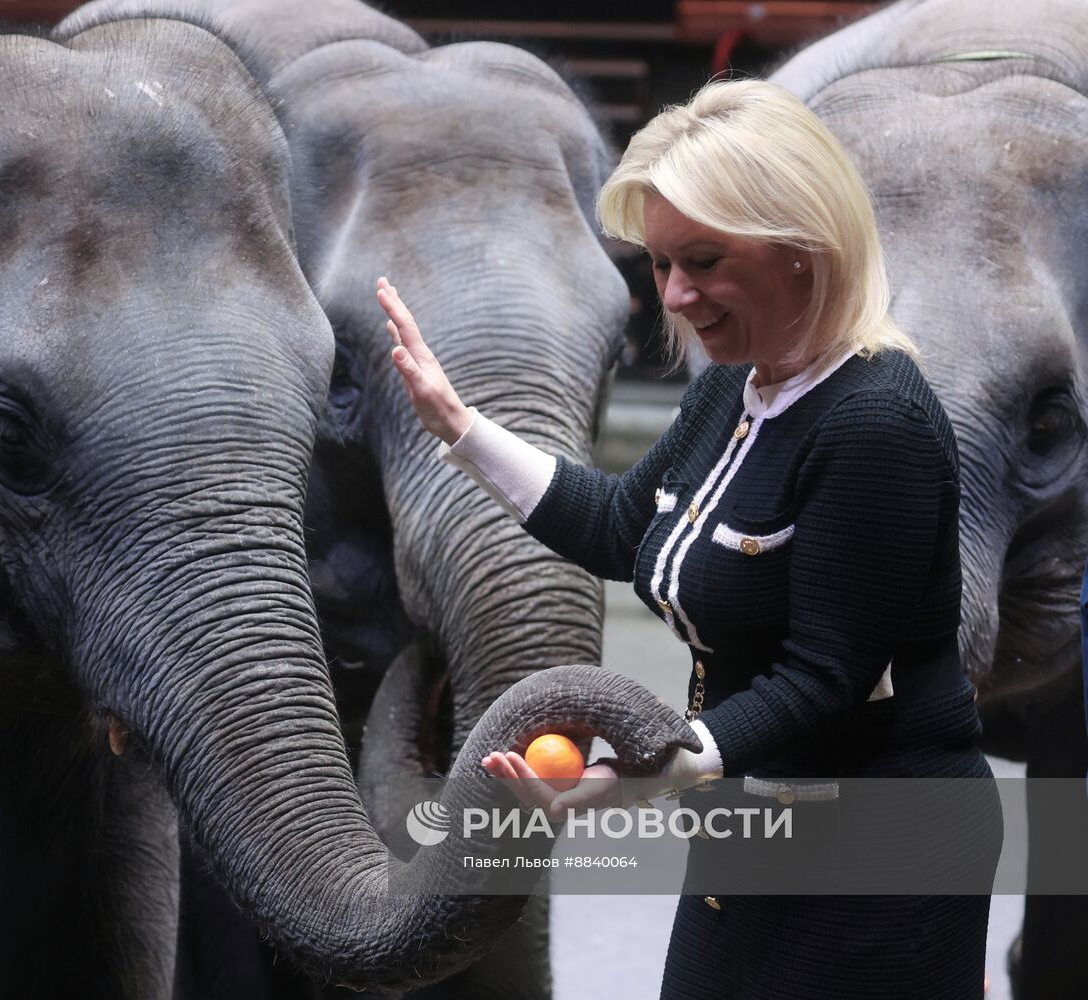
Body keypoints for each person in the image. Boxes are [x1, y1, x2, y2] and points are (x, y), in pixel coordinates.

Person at [375, 79, 996, 999]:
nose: (672, 295)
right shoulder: (731, 387)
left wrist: (648, 771)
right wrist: (460, 428)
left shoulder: (875, 422)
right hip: (750, 818)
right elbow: (625, 527)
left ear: (800, 247)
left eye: (700, 260)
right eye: (659, 265)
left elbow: (820, 680)